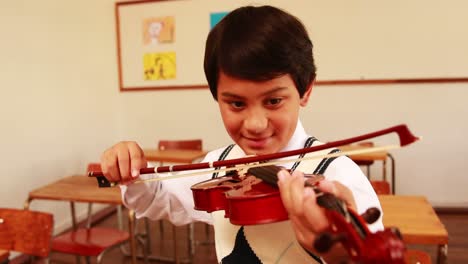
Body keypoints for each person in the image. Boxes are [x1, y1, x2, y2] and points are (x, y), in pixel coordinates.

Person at [101, 5, 383, 263]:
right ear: (217, 96)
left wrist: (341, 256)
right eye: (237, 103)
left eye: (273, 101)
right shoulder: (220, 166)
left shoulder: (337, 175)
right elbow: (157, 200)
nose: (255, 124)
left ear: (305, 90)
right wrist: (134, 174)